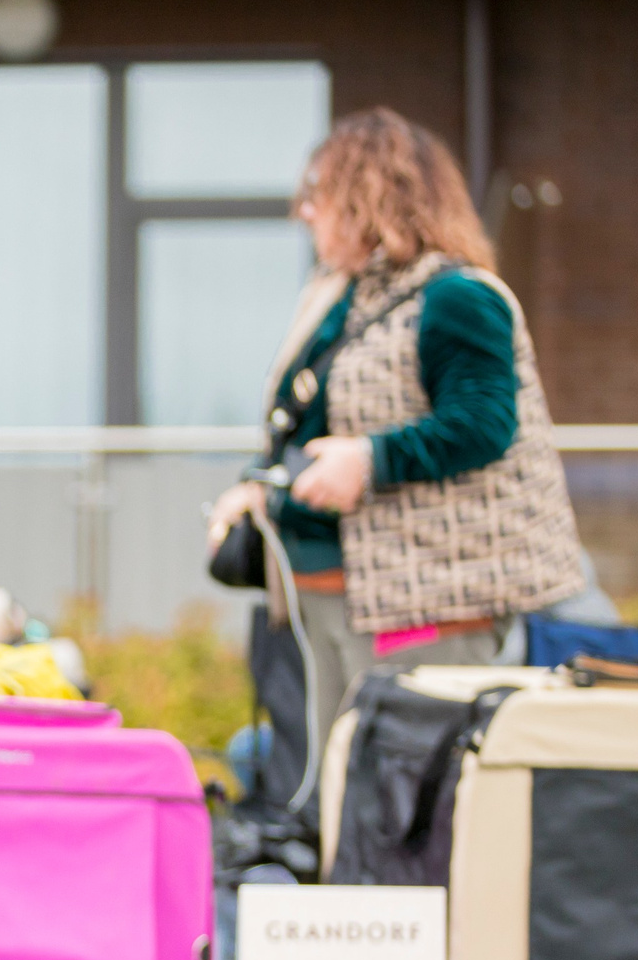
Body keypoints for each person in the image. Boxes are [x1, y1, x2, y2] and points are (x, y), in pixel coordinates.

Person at [208, 107, 582, 754]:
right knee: (340, 791)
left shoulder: (458, 297)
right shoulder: (340, 295)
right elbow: (306, 418)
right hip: (324, 593)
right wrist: (256, 485)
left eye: (318, 195)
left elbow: (484, 424)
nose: (306, 213)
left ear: (367, 197)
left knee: (408, 798)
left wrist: (371, 460)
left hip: (424, 603)